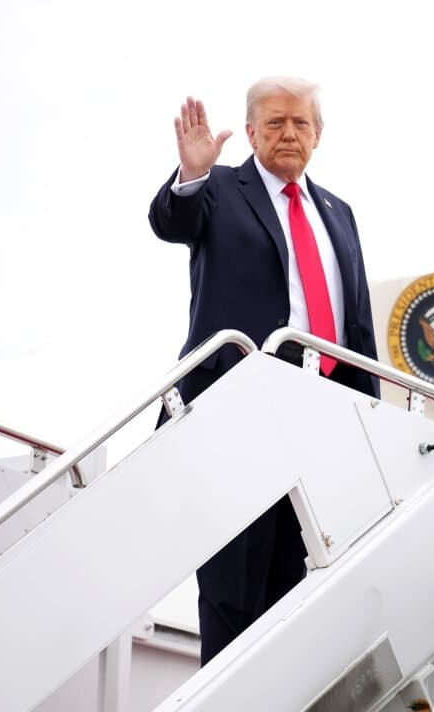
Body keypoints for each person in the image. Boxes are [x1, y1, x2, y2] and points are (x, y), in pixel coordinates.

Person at [148, 76, 380, 665]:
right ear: (251, 132)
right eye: (275, 123)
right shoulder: (221, 188)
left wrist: (371, 416)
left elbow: (356, 326)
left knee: (294, 586)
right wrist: (193, 173)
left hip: (318, 413)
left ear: (319, 134)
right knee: (232, 584)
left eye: (301, 123)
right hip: (238, 407)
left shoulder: (339, 213)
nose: (289, 134)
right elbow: (172, 221)